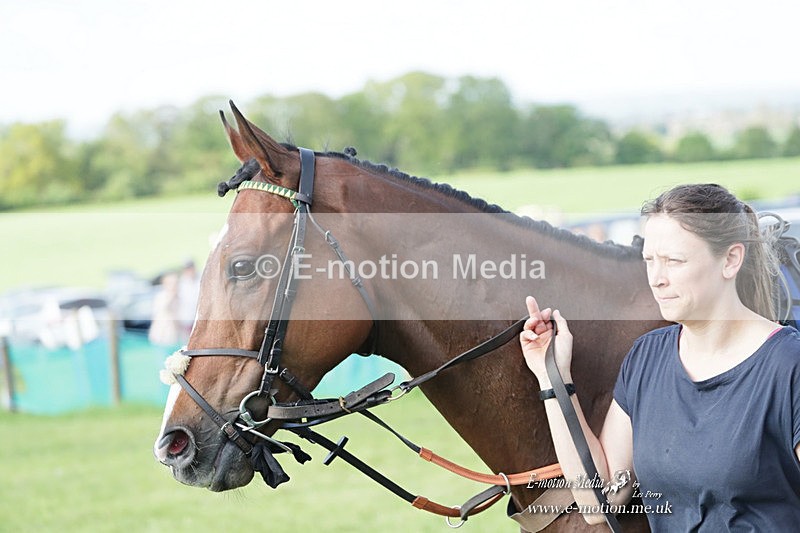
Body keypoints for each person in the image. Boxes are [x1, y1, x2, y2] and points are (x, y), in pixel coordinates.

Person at [520, 183, 800, 530]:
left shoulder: (788, 365)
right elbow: (600, 499)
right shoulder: (647, 358)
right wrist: (552, 375)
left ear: (730, 259)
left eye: (674, 261)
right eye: (650, 260)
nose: (657, 279)